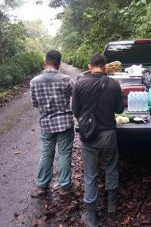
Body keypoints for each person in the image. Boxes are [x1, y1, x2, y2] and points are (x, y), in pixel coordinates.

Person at [72, 54, 124, 227]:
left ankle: (92, 216)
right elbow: (119, 109)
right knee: (111, 167)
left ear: (89, 65)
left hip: (89, 135)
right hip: (109, 133)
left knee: (90, 174)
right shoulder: (114, 83)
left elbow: (76, 110)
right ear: (105, 66)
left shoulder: (80, 83)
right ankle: (112, 207)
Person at [30, 50, 75, 196]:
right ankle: (65, 186)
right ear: (59, 63)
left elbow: (35, 104)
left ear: (45, 61)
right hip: (65, 123)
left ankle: (42, 186)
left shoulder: (34, 82)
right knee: (64, 153)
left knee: (46, 154)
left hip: (46, 124)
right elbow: (75, 96)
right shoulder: (66, 80)